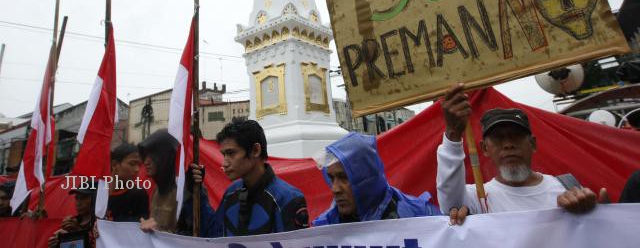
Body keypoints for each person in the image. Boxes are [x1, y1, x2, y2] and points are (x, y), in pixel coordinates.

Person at [436, 83, 607, 223]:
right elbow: (450, 204)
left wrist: (598, 214)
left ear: (532, 144)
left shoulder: (568, 190)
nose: (508, 144)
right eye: (498, 138)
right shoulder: (477, 199)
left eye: (516, 137)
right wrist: (452, 132)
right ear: (485, 149)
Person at [313, 132, 441, 226]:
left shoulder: (420, 216)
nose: (335, 189)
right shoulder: (324, 228)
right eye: (331, 178)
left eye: (344, 177)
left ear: (366, 179)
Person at [209, 118, 309, 236]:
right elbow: (212, 236)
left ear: (255, 150)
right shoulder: (231, 193)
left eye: (231, 153)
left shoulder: (288, 198)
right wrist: (197, 193)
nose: (224, 163)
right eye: (224, 155)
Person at [138, 129, 215, 236]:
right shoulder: (156, 189)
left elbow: (199, 234)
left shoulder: (186, 190)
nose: (146, 162)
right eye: (145, 156)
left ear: (165, 157)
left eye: (152, 156)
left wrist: (159, 232)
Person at [106, 143, 149, 222]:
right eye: (132, 164)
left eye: (139, 165)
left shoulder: (138, 194)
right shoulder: (99, 193)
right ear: (114, 164)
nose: (137, 170)